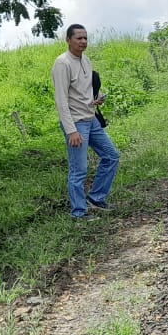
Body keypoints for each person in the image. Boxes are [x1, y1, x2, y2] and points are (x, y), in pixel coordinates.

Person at [51, 23, 119, 219]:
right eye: (78, 38)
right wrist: (71, 130)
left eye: (85, 38)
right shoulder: (62, 63)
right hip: (76, 123)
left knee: (112, 156)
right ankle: (79, 213)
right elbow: (61, 100)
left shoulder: (86, 60)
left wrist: (96, 99)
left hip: (91, 119)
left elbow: (85, 90)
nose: (83, 42)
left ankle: (96, 198)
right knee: (79, 170)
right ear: (68, 40)